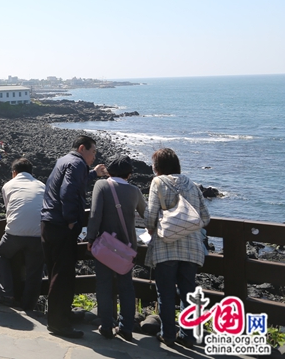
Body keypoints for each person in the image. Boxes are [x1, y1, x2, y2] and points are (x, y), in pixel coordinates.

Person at [41, 135, 109, 338]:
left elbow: (72, 182)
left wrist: (92, 174)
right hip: (62, 226)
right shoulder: (78, 163)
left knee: (55, 272)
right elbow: (68, 191)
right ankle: (59, 323)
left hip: (48, 224)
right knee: (63, 276)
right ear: (82, 148)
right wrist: (71, 220)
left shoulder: (64, 160)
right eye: (93, 152)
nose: (94, 156)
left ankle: (58, 315)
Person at [144, 148, 210, 348]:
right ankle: (188, 336)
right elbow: (205, 217)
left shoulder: (158, 183)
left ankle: (168, 335)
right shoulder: (191, 183)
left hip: (167, 247)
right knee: (188, 293)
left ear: (159, 167)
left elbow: (150, 217)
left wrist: (154, 228)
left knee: (165, 293)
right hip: (192, 248)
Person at [85, 155, 146, 341]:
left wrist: (90, 238)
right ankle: (126, 327)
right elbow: (145, 214)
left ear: (109, 170)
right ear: (129, 173)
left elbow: (95, 214)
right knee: (126, 286)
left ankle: (106, 325)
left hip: (105, 246)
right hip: (127, 247)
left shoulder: (101, 186)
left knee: (103, 284)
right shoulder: (135, 191)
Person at [0, 158, 45, 311]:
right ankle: (29, 304)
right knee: (35, 269)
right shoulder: (42, 185)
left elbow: (9, 209)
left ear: (14, 173)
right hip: (38, 234)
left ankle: (7, 294)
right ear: (31, 173)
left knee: (1, 254)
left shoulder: (8, 185)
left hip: (15, 234)